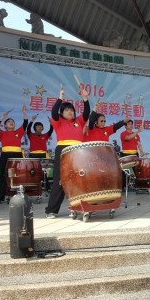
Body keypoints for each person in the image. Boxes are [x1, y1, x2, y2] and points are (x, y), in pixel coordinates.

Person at [44, 87, 90, 218]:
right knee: (59, 180)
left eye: (72, 110)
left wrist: (85, 99)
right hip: (63, 151)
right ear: (62, 113)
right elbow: (53, 112)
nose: (70, 112)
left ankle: (82, 206)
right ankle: (51, 210)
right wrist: (60, 99)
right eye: (67, 110)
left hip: (79, 152)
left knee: (80, 179)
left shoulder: (79, 122)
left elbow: (86, 113)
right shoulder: (58, 122)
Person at [0, 105, 28, 203]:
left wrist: (24, 112)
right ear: (5, 125)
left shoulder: (18, 132)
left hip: (17, 155)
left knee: (17, 175)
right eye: (9, 122)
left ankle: (17, 196)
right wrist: (2, 117)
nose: (11, 123)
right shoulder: (2, 133)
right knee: (3, 175)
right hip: (5, 155)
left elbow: (25, 123)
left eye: (13, 122)